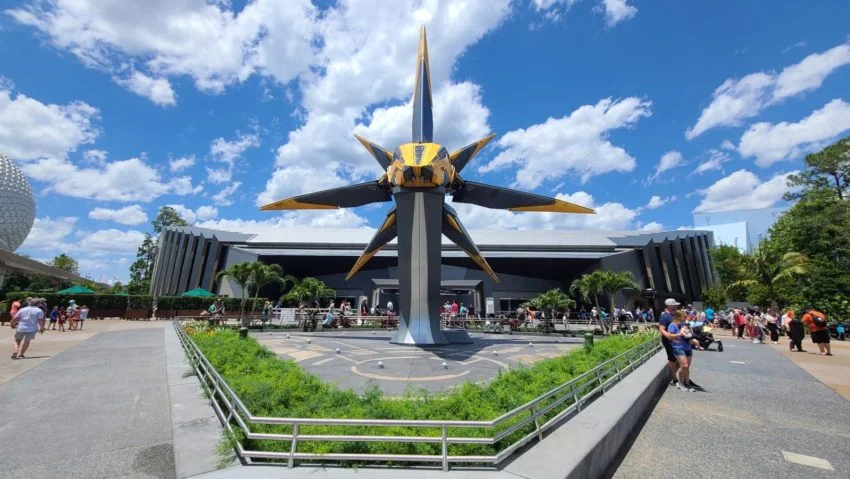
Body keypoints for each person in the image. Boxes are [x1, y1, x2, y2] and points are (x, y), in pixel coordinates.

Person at [667, 310, 696, 392]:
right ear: (679, 316)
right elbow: (670, 336)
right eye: (684, 317)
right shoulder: (672, 325)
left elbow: (690, 334)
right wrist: (681, 334)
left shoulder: (684, 324)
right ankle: (680, 383)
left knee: (686, 367)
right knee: (684, 366)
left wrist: (690, 330)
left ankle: (687, 383)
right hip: (678, 348)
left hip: (688, 347)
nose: (685, 318)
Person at [658, 298, 681, 387]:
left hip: (676, 340)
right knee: (672, 359)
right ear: (669, 306)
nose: (676, 306)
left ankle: (678, 376)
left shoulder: (674, 315)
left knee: (676, 359)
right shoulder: (664, 316)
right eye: (674, 305)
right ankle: (675, 379)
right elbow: (661, 329)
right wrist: (669, 336)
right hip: (669, 341)